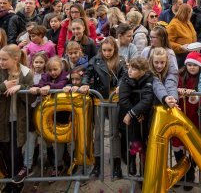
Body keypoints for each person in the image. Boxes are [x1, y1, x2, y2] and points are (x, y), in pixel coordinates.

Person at [80, 37, 127, 179]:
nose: (107, 53)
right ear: (101, 49)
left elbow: (124, 75)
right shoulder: (95, 60)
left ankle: (117, 165)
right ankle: (97, 165)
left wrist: (120, 86)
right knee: (98, 133)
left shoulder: (120, 60)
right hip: (99, 99)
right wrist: (85, 83)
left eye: (110, 50)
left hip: (114, 99)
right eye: (104, 50)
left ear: (115, 49)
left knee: (114, 133)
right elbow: (87, 74)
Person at [0, 45, 34, 193]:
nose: (1, 62)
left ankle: (16, 183)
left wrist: (21, 87)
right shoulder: (0, 72)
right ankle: (9, 180)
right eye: (0, 59)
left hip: (17, 119)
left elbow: (32, 95)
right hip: (2, 120)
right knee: (5, 152)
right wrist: (3, 86)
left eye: (4, 59)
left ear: (15, 59)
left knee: (15, 151)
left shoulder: (26, 73)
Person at [30, 56, 69, 177]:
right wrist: (43, 86)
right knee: (48, 138)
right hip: (46, 114)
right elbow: (40, 84)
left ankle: (59, 164)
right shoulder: (45, 76)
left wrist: (48, 87)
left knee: (60, 140)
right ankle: (55, 162)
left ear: (61, 68)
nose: (52, 73)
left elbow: (61, 85)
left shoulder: (65, 75)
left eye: (55, 69)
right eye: (50, 70)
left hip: (61, 114)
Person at [12, 52, 48, 184]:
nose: (38, 64)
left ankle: (49, 163)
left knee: (46, 140)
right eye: (36, 62)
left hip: (45, 111)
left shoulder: (47, 75)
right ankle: (27, 165)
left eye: (41, 62)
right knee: (30, 138)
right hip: (31, 110)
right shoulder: (29, 74)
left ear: (45, 63)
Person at [173, 51, 201, 191]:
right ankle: (181, 172)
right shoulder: (179, 76)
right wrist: (179, 91)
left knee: (193, 146)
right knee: (178, 144)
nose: (192, 67)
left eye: (194, 65)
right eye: (189, 64)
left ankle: (190, 172)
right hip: (181, 116)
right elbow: (172, 89)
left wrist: (195, 96)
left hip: (195, 118)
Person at [119, 57, 153, 176]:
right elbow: (123, 99)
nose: (130, 71)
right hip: (133, 118)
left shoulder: (149, 79)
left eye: (134, 69)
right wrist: (135, 113)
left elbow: (147, 99)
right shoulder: (126, 78)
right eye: (130, 67)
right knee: (133, 141)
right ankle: (132, 161)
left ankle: (144, 171)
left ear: (143, 71)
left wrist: (133, 113)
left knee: (145, 143)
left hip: (145, 117)